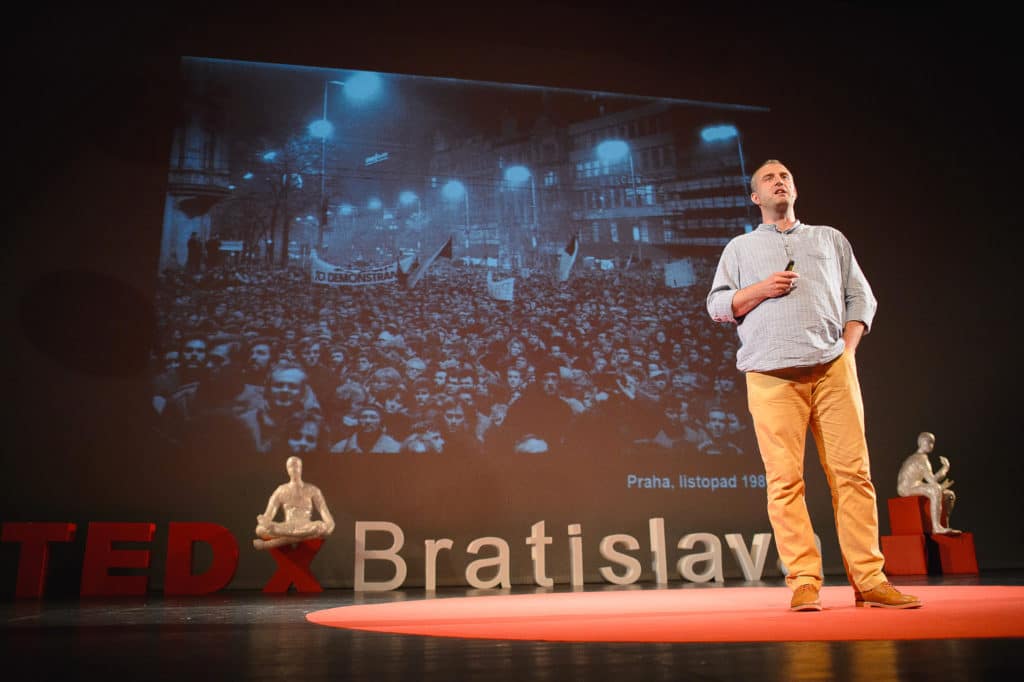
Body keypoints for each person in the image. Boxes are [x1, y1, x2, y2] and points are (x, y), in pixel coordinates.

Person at [706, 159, 920, 611]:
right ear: (755, 198)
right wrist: (761, 289)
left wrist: (848, 349)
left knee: (854, 476)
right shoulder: (740, 249)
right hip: (769, 376)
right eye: (768, 178)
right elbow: (718, 306)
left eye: (785, 176)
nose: (778, 181)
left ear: (795, 190)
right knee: (785, 482)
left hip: (831, 371)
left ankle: (870, 579)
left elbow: (861, 296)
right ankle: (804, 579)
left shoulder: (829, 239)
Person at [253, 455, 335, 550]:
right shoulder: (281, 490)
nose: (294, 469)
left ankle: (268, 544)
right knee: (260, 530)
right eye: (291, 466)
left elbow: (328, 520)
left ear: (301, 468)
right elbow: (268, 516)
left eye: (296, 465)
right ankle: (299, 536)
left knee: (322, 527)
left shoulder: (313, 490)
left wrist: (328, 527)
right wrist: (264, 521)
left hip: (306, 526)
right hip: (288, 527)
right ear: (287, 469)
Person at [896, 431, 959, 535]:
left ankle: (944, 523)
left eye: (932, 443)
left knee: (948, 494)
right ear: (921, 442)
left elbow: (930, 480)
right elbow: (932, 480)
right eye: (929, 442)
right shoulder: (920, 459)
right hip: (907, 488)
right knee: (936, 489)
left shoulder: (919, 457)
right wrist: (945, 468)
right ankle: (936, 527)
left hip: (914, 485)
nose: (931, 445)